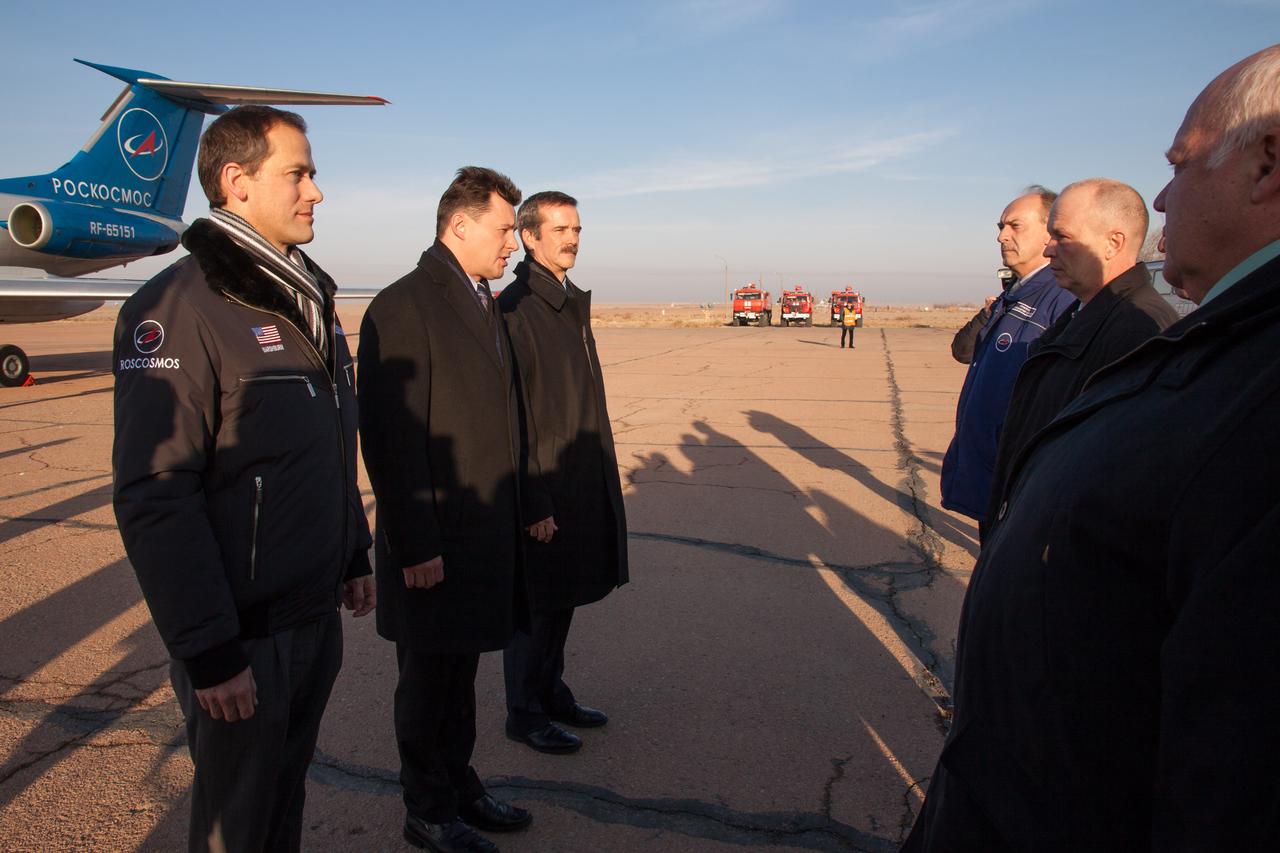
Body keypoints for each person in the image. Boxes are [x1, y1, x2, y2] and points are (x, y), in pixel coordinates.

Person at [903, 45, 1280, 852]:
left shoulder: (1194, 350)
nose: (1168, 193)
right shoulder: (1206, 341)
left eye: (1180, 165)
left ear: (1266, 165)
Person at [111, 106, 375, 852]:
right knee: (236, 822)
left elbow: (322, 443)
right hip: (243, 637)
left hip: (311, 614)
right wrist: (210, 651)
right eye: (299, 172)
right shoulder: (177, 307)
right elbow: (156, 492)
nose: (316, 191)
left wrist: (351, 549)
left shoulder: (306, 299)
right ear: (236, 181)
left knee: (281, 804)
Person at [358, 167, 531, 853]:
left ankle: (460, 785)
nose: (512, 243)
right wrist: (416, 543)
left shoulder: (481, 299)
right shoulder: (404, 306)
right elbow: (391, 439)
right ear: (459, 225)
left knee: (461, 675)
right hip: (432, 540)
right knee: (428, 682)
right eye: (504, 228)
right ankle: (426, 808)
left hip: (477, 532)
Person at [496, 192, 628, 755]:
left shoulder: (567, 301)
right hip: (544, 482)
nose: (572, 238)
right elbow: (514, 415)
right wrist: (534, 499)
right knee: (537, 602)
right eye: (559, 229)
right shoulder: (518, 308)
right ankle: (524, 711)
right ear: (530, 236)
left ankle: (551, 690)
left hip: (576, 473)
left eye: (577, 228)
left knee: (564, 595)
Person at [984, 178, 1178, 520]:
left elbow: (1120, 475)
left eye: (1062, 237)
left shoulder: (1139, 329)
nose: (1048, 249)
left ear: (1112, 243)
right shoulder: (1081, 312)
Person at [939, 187, 1075, 531]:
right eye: (1001, 226)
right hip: (993, 479)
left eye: (1015, 226)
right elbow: (963, 351)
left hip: (1022, 485)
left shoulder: (1062, 299)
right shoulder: (1013, 295)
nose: (1002, 236)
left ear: (1050, 230)